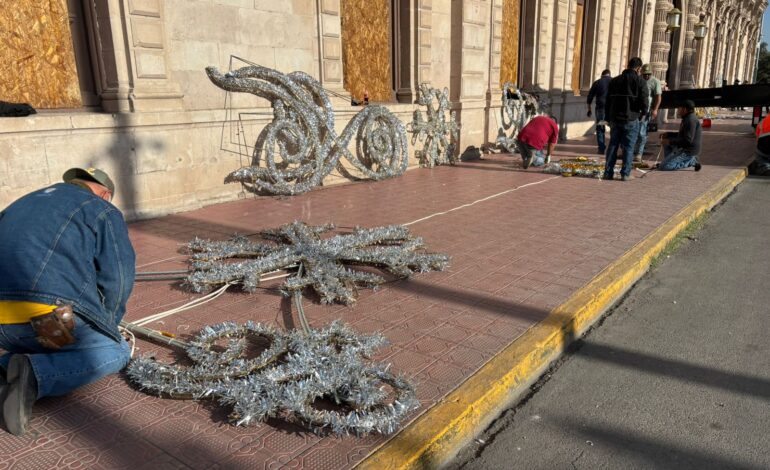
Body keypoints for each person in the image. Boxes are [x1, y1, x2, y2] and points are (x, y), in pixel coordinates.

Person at [0, 168, 135, 436]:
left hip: (4, 330)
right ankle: (34, 377)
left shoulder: (21, 202)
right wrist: (109, 324)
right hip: (45, 321)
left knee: (48, 341)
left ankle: (5, 366)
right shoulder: (101, 210)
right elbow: (118, 277)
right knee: (117, 350)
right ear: (105, 194)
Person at [603, 57, 650, 181]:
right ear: (639, 68)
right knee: (629, 147)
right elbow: (644, 100)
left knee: (613, 145)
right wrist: (643, 113)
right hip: (631, 118)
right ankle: (625, 173)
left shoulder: (615, 81)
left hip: (615, 118)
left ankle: (608, 173)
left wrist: (607, 117)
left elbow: (607, 100)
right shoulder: (640, 82)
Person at [658, 100, 702, 171]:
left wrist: (670, 141)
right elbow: (682, 135)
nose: (678, 110)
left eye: (679, 108)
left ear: (684, 109)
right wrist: (668, 134)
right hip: (683, 146)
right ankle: (670, 160)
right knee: (667, 140)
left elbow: (687, 141)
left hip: (688, 151)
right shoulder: (686, 118)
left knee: (664, 167)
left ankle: (691, 161)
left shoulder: (690, 120)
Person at [633, 64, 662, 162]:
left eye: (648, 74)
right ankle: (633, 150)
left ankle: (639, 153)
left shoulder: (655, 82)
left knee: (641, 132)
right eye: (644, 74)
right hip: (635, 110)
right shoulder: (638, 80)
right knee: (634, 131)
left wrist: (655, 109)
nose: (646, 76)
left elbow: (658, 97)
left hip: (646, 111)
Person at [587, 69, 611, 154]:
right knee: (615, 128)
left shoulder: (597, 82)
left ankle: (601, 148)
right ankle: (613, 148)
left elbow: (590, 97)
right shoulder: (614, 82)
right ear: (609, 75)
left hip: (601, 110)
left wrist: (589, 109)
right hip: (612, 110)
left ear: (602, 75)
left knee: (601, 128)